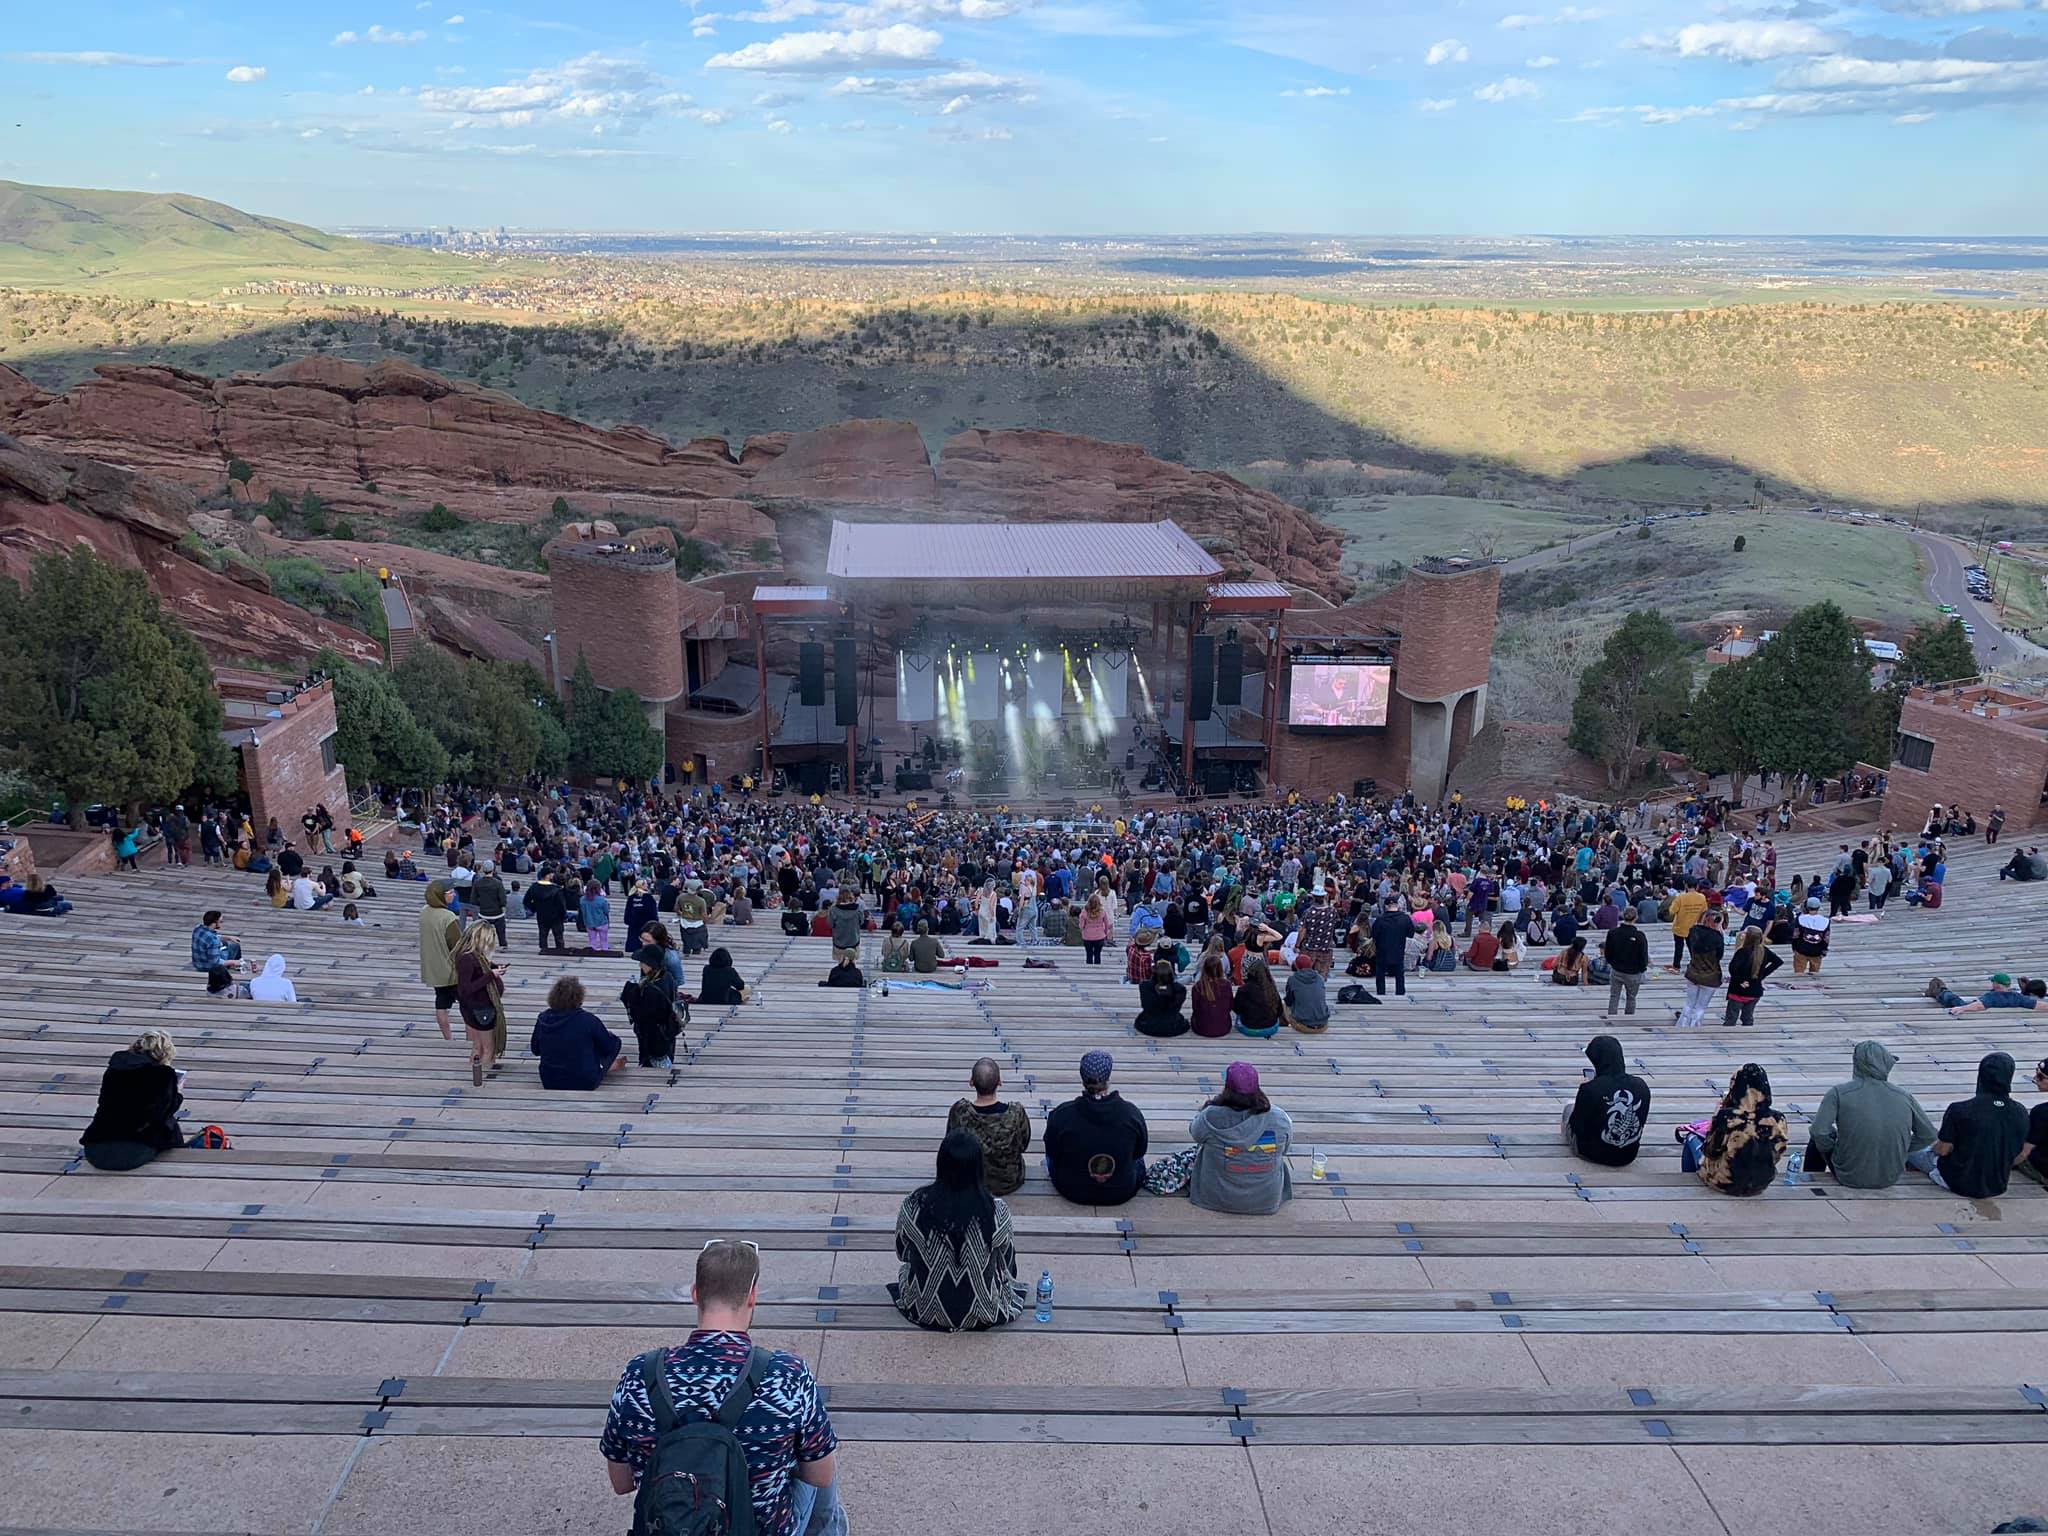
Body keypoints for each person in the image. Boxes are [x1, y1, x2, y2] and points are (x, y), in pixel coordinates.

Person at [601, 1239, 844, 1536]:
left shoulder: (640, 1374)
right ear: (752, 1296)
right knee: (817, 1449)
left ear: (695, 1294)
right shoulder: (788, 1376)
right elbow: (820, 1476)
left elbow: (622, 1482)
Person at [890, 1130, 1027, 1332]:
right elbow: (1007, 1264)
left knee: (904, 1272)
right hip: (985, 1311)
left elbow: (903, 1255)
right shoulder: (997, 1211)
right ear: (979, 1167)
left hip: (924, 1309)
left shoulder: (913, 1205)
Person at [1807, 1040, 1938, 1190]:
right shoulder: (1904, 1096)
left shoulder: (1839, 1093)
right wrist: (1902, 1149)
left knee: (1816, 1139)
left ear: (1856, 1063)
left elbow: (1819, 1132)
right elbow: (1928, 1134)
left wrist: (1833, 1149)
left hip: (1848, 1175)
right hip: (1890, 1177)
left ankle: (1810, 1182)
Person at [1044, 1049, 1148, 1206]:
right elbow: (1139, 1152)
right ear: (1108, 1078)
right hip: (1121, 1191)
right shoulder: (1132, 1114)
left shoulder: (1061, 1114)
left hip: (1071, 1190)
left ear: (1083, 1079)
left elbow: (1052, 1152)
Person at [78, 1029, 186, 1171]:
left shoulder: (114, 1070)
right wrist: (177, 1093)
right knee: (168, 1123)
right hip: (131, 1153)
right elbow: (161, 1114)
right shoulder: (163, 1074)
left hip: (95, 1149)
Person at [1932, 1052, 2029, 1197]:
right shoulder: (2020, 1112)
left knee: (1918, 1151)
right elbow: (2019, 1155)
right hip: (1998, 1185)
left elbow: (1942, 1150)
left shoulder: (1959, 1109)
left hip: (1957, 1182)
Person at [1683, 1063, 1788, 1197]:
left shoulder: (1727, 1117)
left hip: (1725, 1183)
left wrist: (1716, 1116)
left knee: (1691, 1138)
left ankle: (1688, 1182)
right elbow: (1777, 1153)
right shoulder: (1778, 1119)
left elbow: (1710, 1151)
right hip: (1760, 1184)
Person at [1565, 1035, 1650, 1167]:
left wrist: (1585, 1090)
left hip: (1591, 1154)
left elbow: (1576, 1126)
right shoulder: (1642, 1085)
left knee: (1569, 1108)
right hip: (1628, 1156)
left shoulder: (1590, 1089)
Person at [530, 975, 625, 1090]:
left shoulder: (543, 1019)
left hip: (550, 1080)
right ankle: (604, 1066)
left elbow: (535, 1050)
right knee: (613, 1041)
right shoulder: (588, 1020)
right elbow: (609, 1047)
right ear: (579, 998)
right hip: (584, 1081)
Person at [454, 921, 509, 1085]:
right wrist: (491, 975)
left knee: (477, 1047)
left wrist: (494, 969)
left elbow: (479, 971)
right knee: (488, 1048)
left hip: (476, 1008)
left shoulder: (472, 956)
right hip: (481, 1009)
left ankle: (473, 1075)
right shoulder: (467, 959)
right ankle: (481, 1080)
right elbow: (465, 989)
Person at [621, 945, 684, 1071]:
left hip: (653, 1039)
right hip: (668, 1034)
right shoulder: (668, 977)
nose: (640, 966)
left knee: (653, 1070)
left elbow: (639, 1016)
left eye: (643, 962)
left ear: (651, 964)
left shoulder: (651, 990)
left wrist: (630, 994)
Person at [419, 880, 461, 1043]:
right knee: (468, 1006)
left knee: (441, 1004)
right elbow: (457, 945)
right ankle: (471, 1039)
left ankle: (448, 1039)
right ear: (440, 896)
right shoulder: (448, 917)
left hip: (433, 967)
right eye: (450, 892)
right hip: (451, 969)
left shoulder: (424, 911)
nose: (453, 894)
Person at [1674, 907, 1725, 1027]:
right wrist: (1719, 930)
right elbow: (1719, 956)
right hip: (1710, 976)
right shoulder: (1717, 938)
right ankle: (1694, 1028)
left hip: (1693, 971)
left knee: (1688, 1003)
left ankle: (1682, 1026)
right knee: (1700, 1007)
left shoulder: (1693, 931)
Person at [1722, 926, 1781, 1028]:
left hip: (1739, 990)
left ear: (1748, 937)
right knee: (1747, 1017)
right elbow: (1778, 961)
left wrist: (1740, 981)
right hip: (1755, 990)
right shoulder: (1764, 950)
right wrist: (1762, 975)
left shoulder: (1742, 952)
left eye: (1744, 933)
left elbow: (1732, 969)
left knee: (1731, 1018)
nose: (1742, 933)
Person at [1931, 972, 2047, 1015]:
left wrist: (1962, 1008)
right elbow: (2037, 1004)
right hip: (2012, 1003)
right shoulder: (2018, 997)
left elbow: (1979, 1005)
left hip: (1979, 1006)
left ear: (1996, 984)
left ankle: (1941, 990)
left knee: (1953, 999)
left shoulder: (1992, 996)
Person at [1368, 898, 1414, 997]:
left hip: (1382, 950)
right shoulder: (1405, 918)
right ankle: (1400, 992)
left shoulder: (1380, 919)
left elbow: (1374, 935)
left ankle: (1381, 992)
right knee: (1399, 973)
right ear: (1397, 905)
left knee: (1380, 972)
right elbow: (1411, 934)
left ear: (1386, 906)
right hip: (1399, 949)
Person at [1231, 955, 1284, 1038]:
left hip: (1249, 1029)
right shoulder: (1272, 988)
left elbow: (1236, 1009)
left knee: (1238, 1017)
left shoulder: (1243, 989)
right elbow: (1279, 1011)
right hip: (1271, 1028)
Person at [1134, 958, 1189, 1037]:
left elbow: (1145, 1005)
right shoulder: (1180, 990)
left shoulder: (1144, 987)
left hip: (1148, 1025)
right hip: (1172, 1026)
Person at [1664, 878, 1708, 971]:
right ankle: (1696, 964)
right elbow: (1704, 912)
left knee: (1679, 947)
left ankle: (1676, 966)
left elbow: (1671, 911)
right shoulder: (1702, 897)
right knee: (1692, 947)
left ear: (1686, 885)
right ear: (1697, 886)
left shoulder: (1680, 897)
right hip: (1694, 927)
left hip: (1680, 927)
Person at [525, 867, 569, 954]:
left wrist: (534, 908)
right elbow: (562, 905)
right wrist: (564, 916)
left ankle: (543, 951)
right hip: (556, 917)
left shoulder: (534, 887)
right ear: (548, 875)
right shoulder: (557, 889)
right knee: (559, 937)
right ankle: (560, 952)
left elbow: (526, 900)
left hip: (541, 915)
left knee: (543, 935)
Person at [1190, 952, 1234, 1038]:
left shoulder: (1197, 987)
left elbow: (1195, 1009)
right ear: (1220, 969)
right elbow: (1230, 1006)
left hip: (1201, 1028)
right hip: (1223, 1028)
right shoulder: (1226, 985)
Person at [1283, 954, 1330, 1031]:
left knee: (1284, 1003)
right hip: (1323, 1025)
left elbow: (1289, 1001)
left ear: (1297, 966)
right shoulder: (1320, 978)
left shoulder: (1292, 979)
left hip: (1303, 1026)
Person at [1789, 897, 1830, 977]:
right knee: (1815, 974)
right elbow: (1826, 938)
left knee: (1798, 974)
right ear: (1818, 907)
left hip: (1801, 949)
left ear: (1807, 907)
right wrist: (1824, 950)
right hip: (1817, 951)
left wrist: (1794, 948)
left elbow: (1795, 935)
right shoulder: (1825, 921)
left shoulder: (1800, 919)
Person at [471, 862, 509, 946]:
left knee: (482, 929)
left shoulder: (477, 883)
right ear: (493, 869)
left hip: (483, 913)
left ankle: (483, 944)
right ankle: (503, 944)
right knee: (501, 929)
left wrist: (481, 904)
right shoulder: (498, 883)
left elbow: (473, 900)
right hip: (497, 914)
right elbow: (503, 901)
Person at [581, 880, 612, 955]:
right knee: (604, 940)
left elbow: (583, 911)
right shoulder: (601, 900)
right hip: (602, 923)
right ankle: (605, 952)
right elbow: (606, 911)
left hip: (589, 923)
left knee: (592, 940)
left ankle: (593, 953)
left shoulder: (582, 899)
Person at [1078, 894, 1111, 965]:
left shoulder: (1084, 912)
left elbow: (1081, 926)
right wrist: (1105, 934)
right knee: (1097, 954)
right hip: (1100, 936)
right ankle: (1097, 969)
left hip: (1087, 937)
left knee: (1089, 954)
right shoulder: (1102, 912)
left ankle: (1089, 970)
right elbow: (1106, 924)